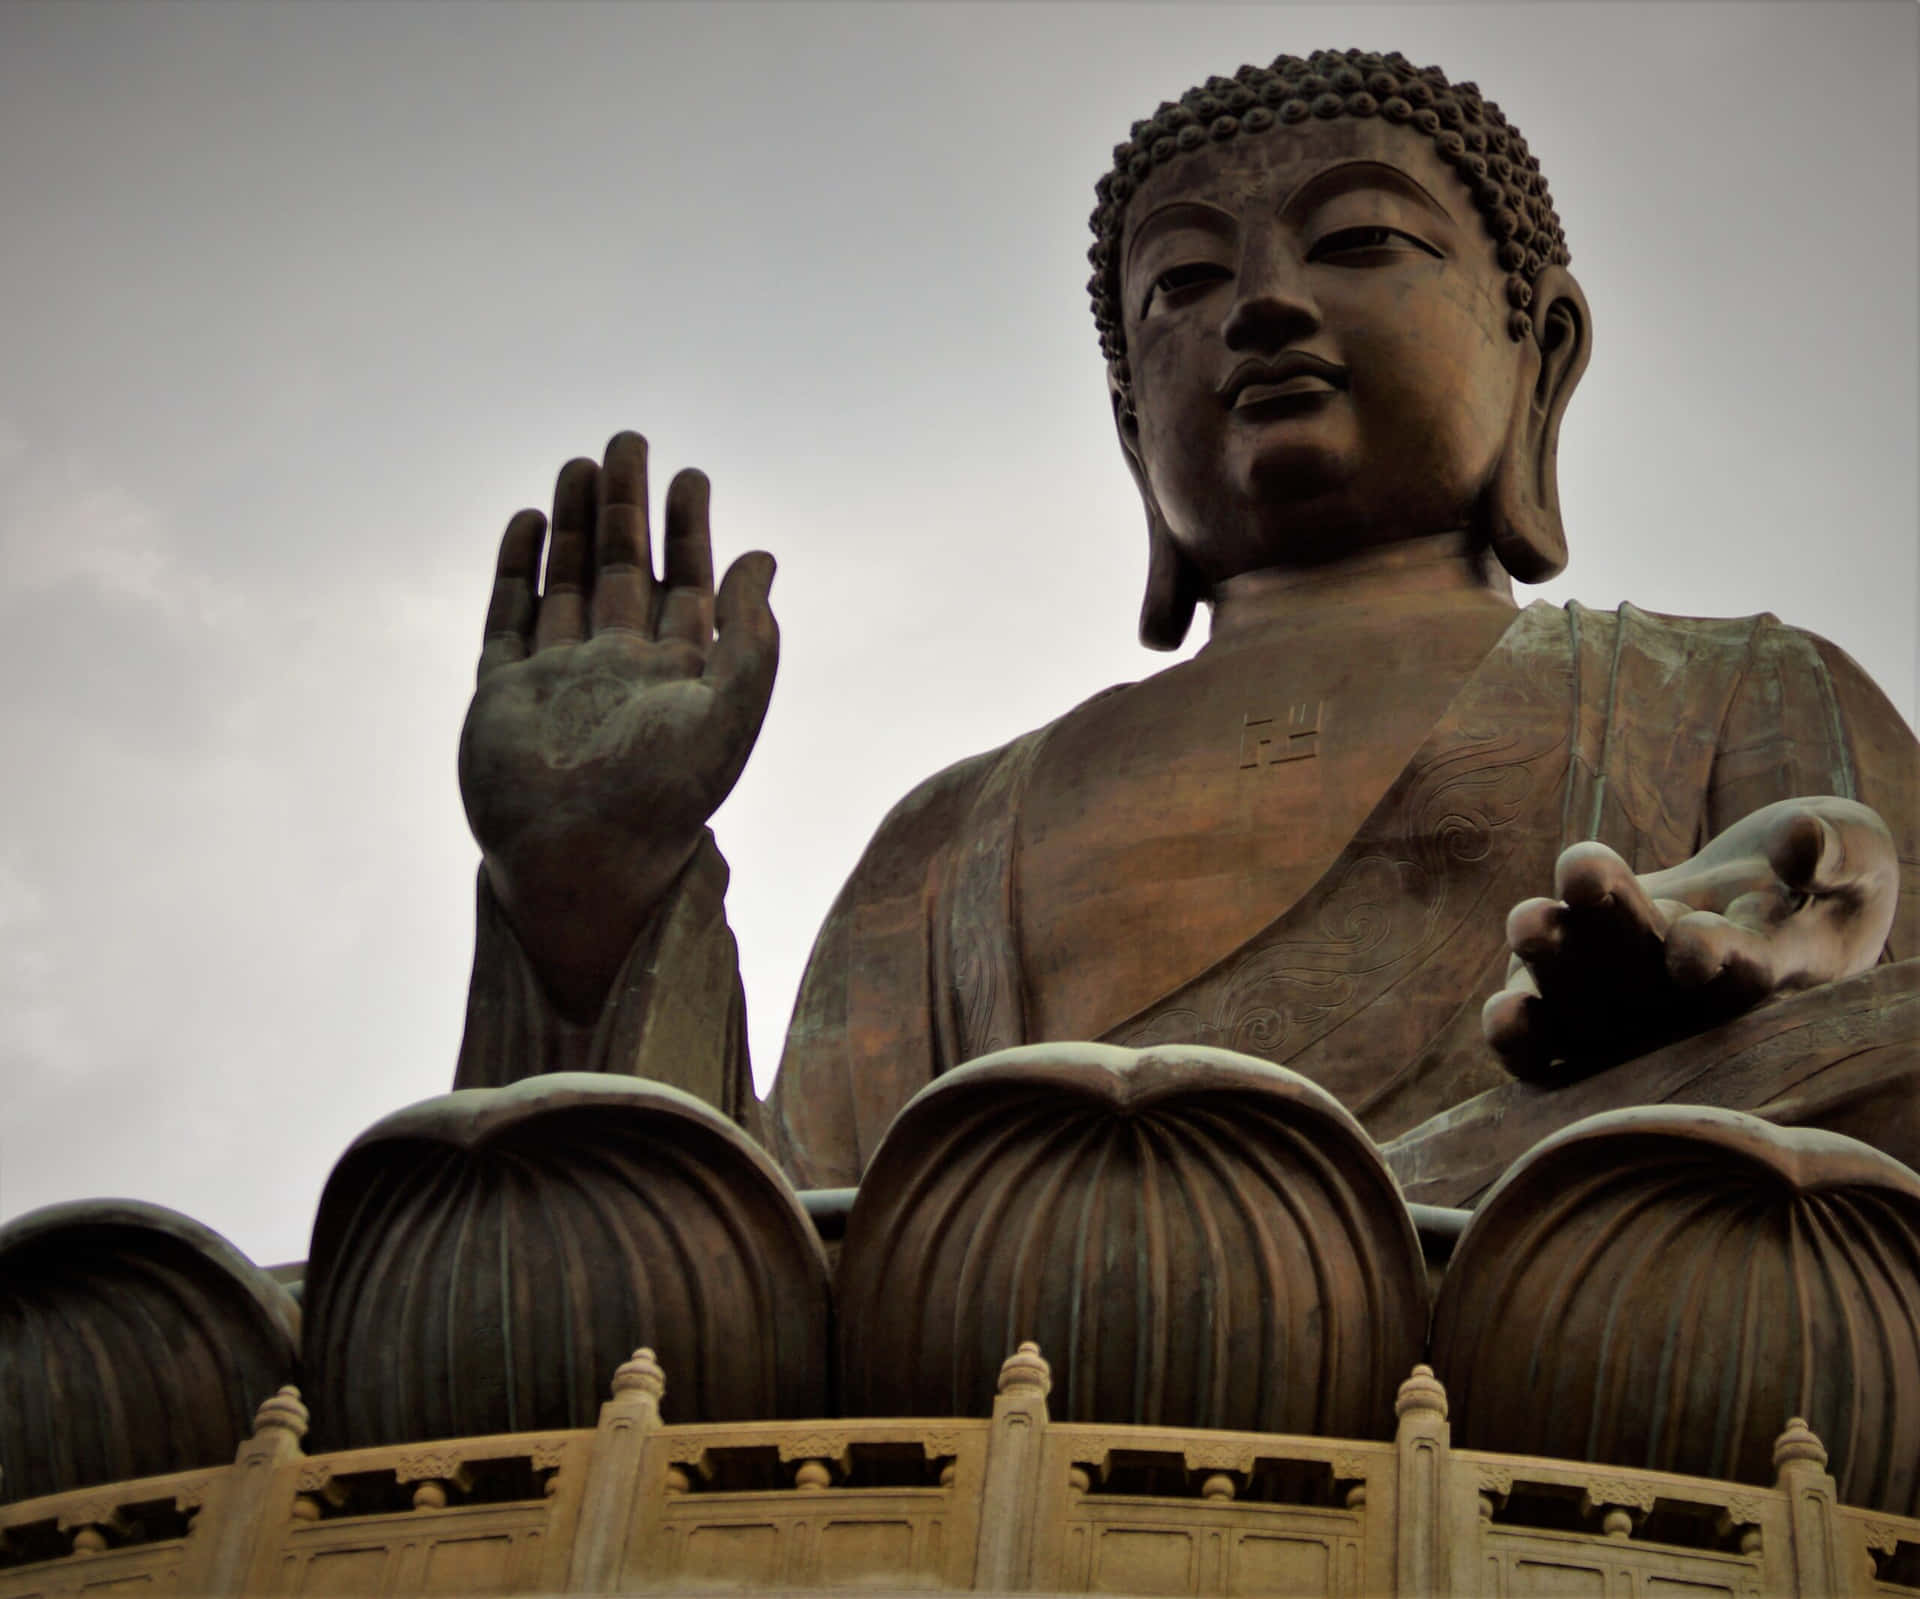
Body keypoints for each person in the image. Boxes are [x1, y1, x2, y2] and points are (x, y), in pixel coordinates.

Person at [452, 50, 1917, 1192]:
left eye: (1357, 243)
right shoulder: (955, 837)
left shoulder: (1734, 691)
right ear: (1126, 419)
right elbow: (762, 1257)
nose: (1264, 307)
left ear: (1541, 353)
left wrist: (1791, 953)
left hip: (1587, 1296)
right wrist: (592, 889)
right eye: (1187, 284)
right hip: (1010, 1358)